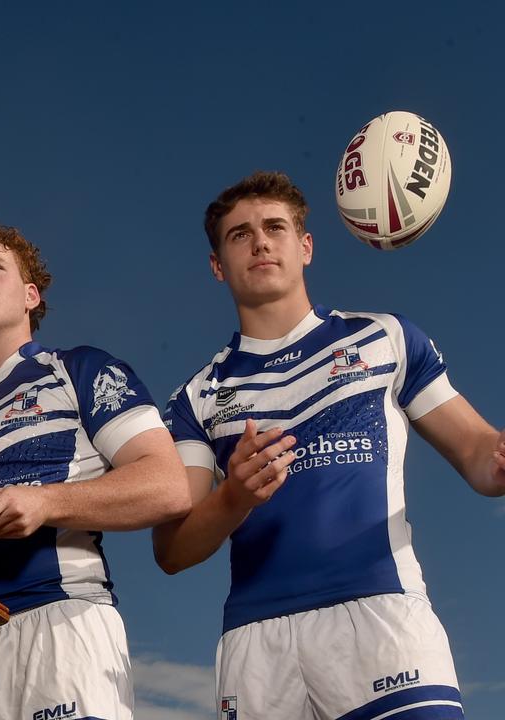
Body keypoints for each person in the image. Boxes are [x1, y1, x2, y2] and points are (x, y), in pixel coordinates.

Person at [154, 171, 505, 719]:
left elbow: (479, 454)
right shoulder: (196, 398)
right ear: (218, 264)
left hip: (381, 614)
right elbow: (172, 551)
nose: (261, 242)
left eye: (275, 227)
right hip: (257, 640)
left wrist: (500, 459)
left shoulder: (385, 337)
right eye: (240, 234)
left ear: (306, 246)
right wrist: (233, 499)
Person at [0, 222, 190, 720]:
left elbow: (168, 485)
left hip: (59, 623)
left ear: (31, 295)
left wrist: (48, 502)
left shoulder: (78, 370)